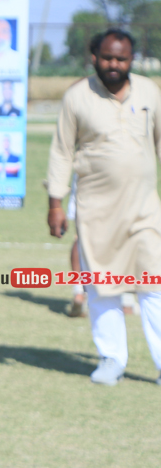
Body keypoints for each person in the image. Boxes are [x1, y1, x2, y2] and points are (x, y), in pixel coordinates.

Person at [46, 28, 161, 386]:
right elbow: (62, 151)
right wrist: (55, 203)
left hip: (145, 209)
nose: (114, 64)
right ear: (94, 57)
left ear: (131, 59)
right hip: (96, 210)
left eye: (121, 58)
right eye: (108, 57)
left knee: (154, 284)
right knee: (102, 285)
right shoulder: (77, 97)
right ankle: (112, 359)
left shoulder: (149, 92)